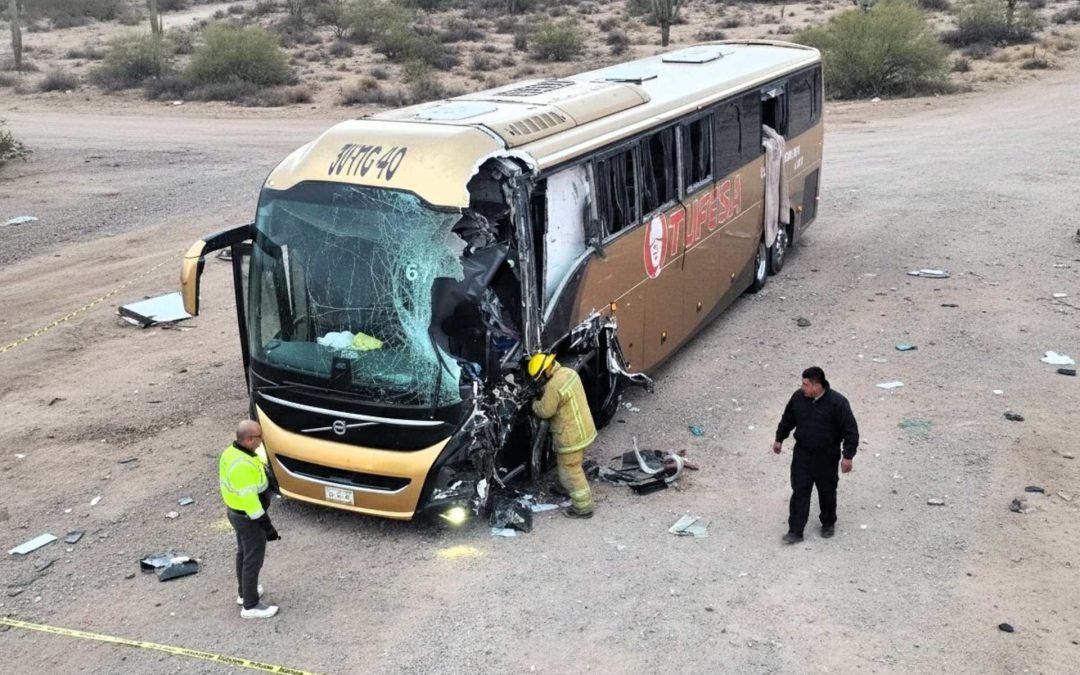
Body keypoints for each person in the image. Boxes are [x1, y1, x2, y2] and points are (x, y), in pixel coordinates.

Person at [772, 367, 859, 544]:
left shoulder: (838, 403)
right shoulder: (798, 398)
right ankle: (795, 531)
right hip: (802, 455)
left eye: (805, 384)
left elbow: (851, 431)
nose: (802, 387)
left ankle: (828, 522)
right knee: (800, 491)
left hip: (827, 456)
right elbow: (788, 418)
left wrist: (848, 456)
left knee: (827, 491)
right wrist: (779, 438)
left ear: (817, 386)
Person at [219, 420, 280, 618]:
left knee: (243, 554)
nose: (262, 441)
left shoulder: (232, 452)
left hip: (236, 513)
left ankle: (244, 593)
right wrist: (268, 528)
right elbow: (251, 504)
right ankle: (251, 606)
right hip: (248, 518)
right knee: (252, 560)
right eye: (259, 437)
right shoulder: (242, 467)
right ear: (248, 439)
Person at [529, 353, 597, 519]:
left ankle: (583, 507)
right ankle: (563, 486)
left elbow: (545, 411)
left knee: (571, 470)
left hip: (570, 436)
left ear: (545, 372)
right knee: (572, 464)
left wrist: (533, 403)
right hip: (584, 429)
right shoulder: (569, 373)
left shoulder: (553, 386)